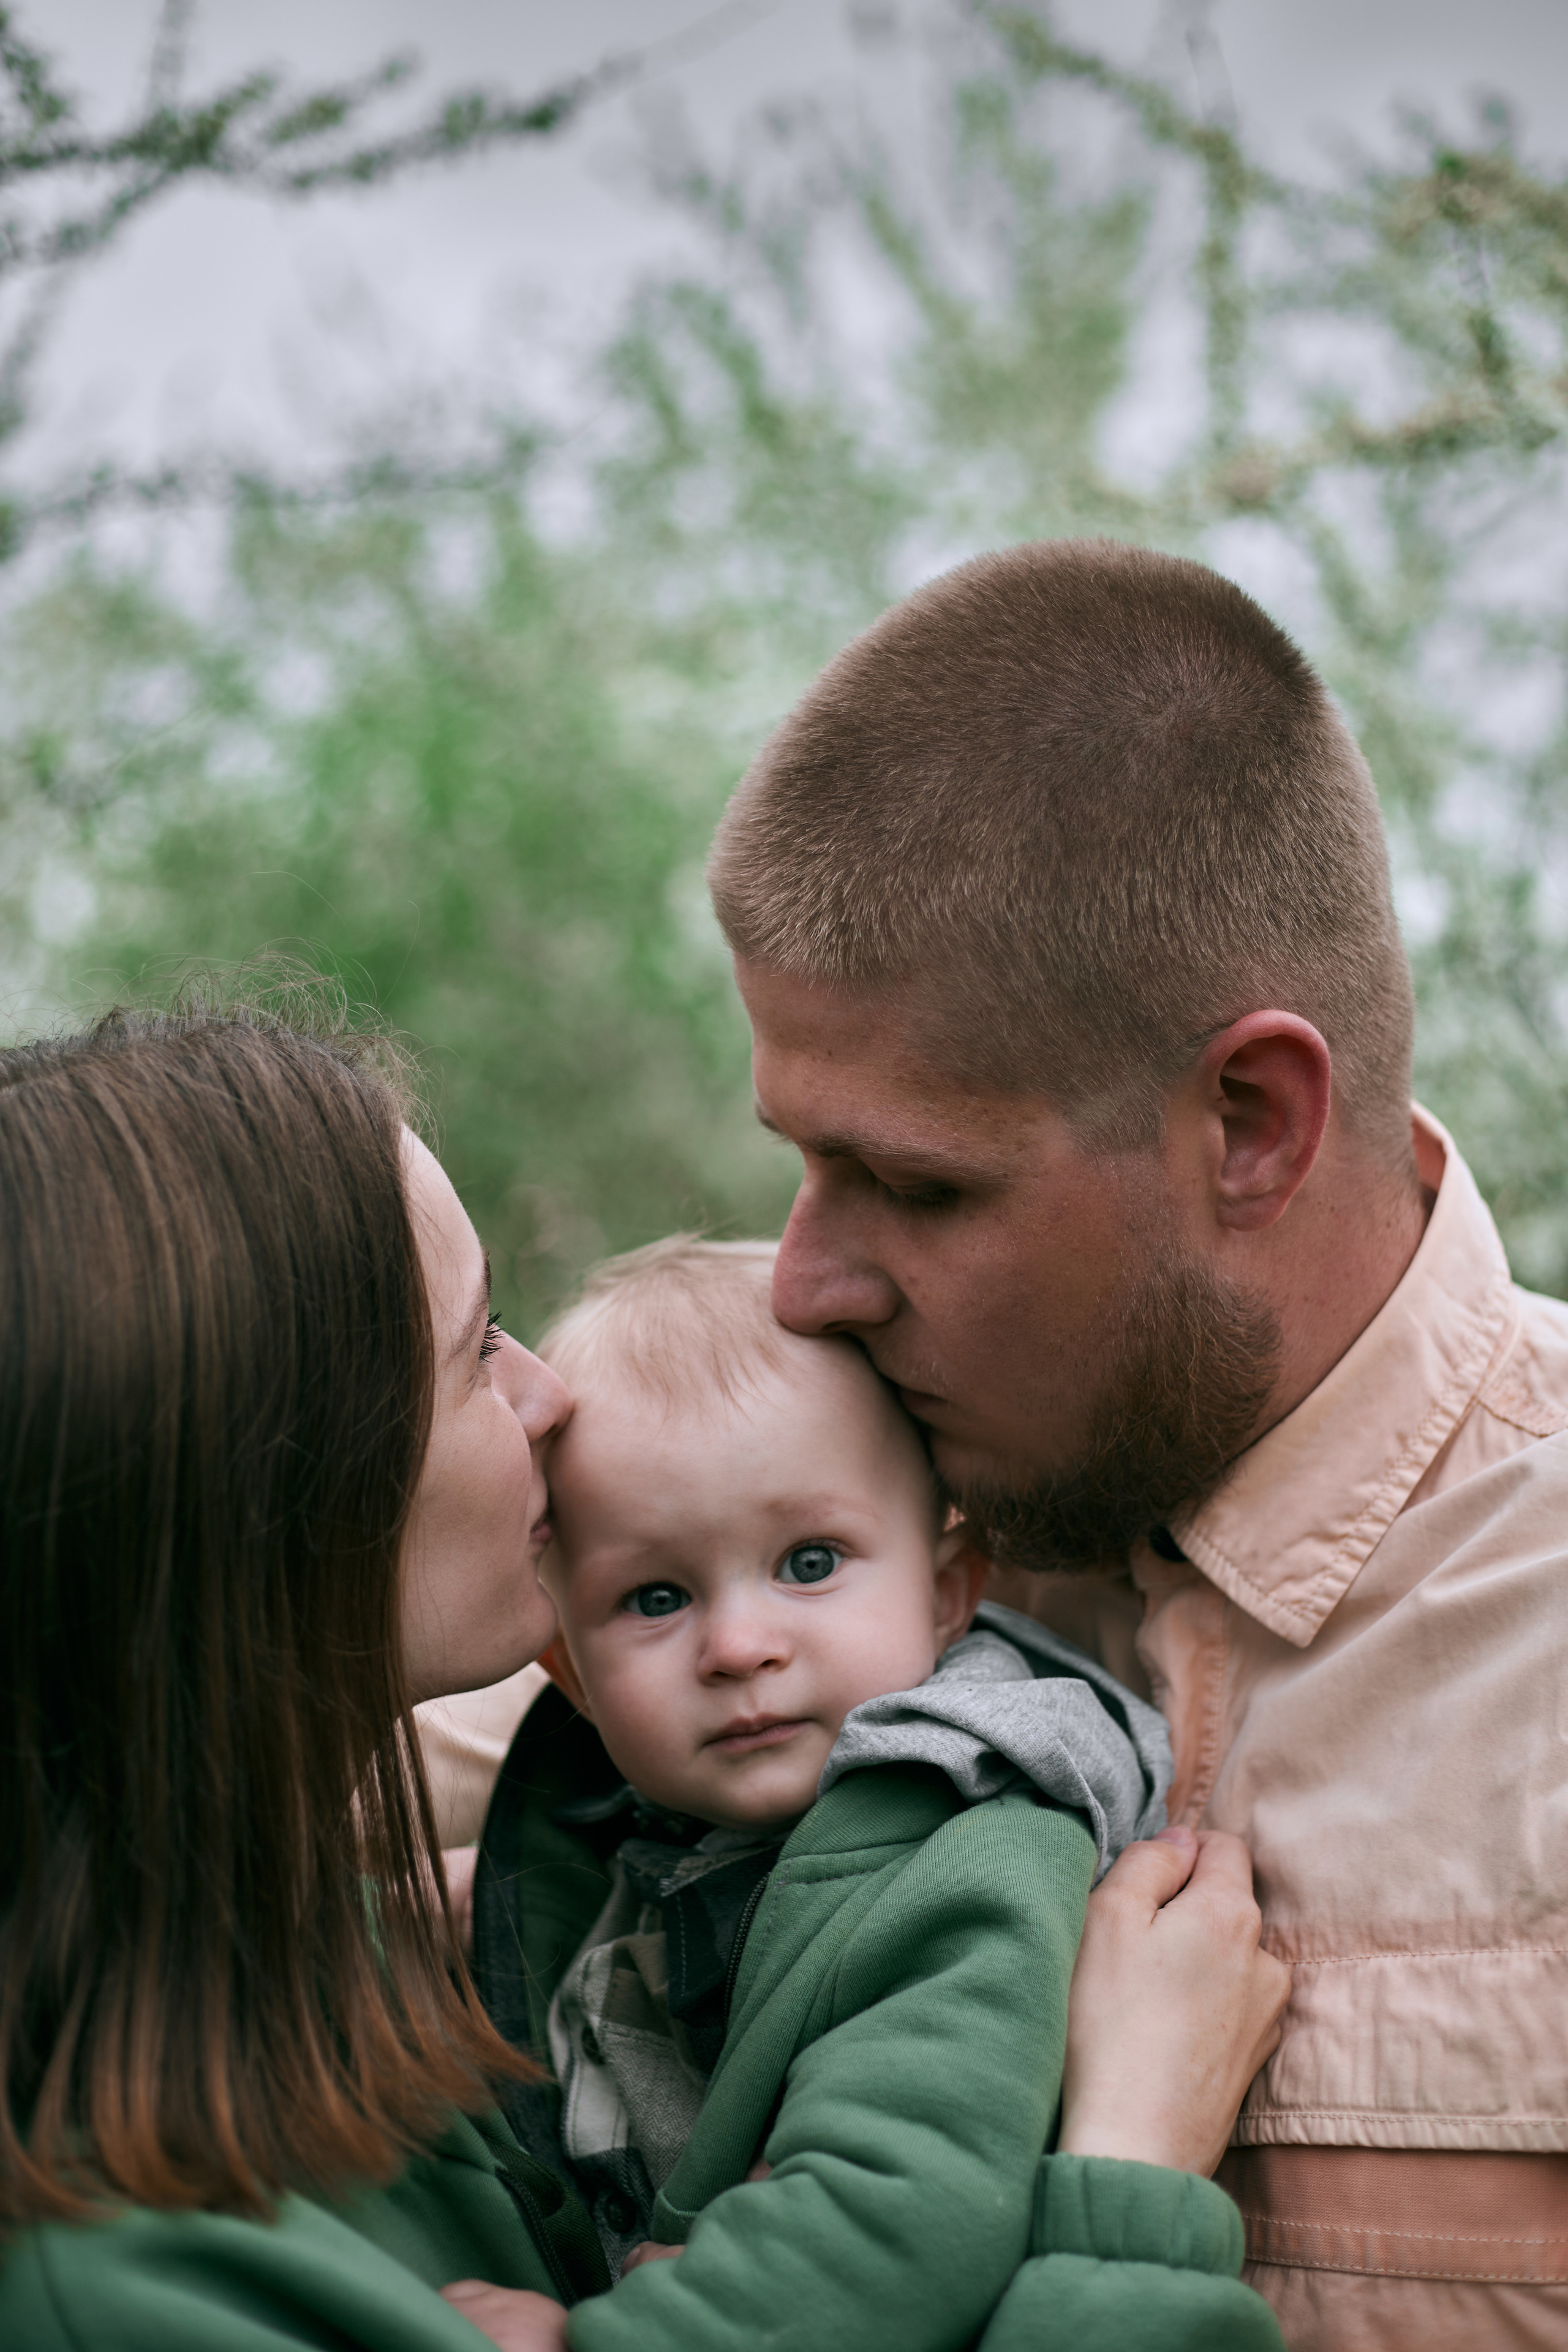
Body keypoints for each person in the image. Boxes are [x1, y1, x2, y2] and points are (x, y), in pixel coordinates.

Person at [0, 997, 1284, 2352]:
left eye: (806, 1563)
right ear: (272, 1501)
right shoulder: (121, 2289)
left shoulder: (310, 1960)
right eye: (474, 1348)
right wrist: (1131, 2171)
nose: (546, 1397)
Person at [704, 535, 1568, 2351]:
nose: (803, 1283)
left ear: (1250, 1120)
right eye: (800, 1160)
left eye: (915, 1185)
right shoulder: (802, 1547)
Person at [473, 1234, 1180, 2349]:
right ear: (573, 1677)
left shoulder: (966, 1858)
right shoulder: (618, 1849)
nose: (738, 1647)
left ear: (948, 1592)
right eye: (656, 1597)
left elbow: (905, 2227)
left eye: (809, 1563)